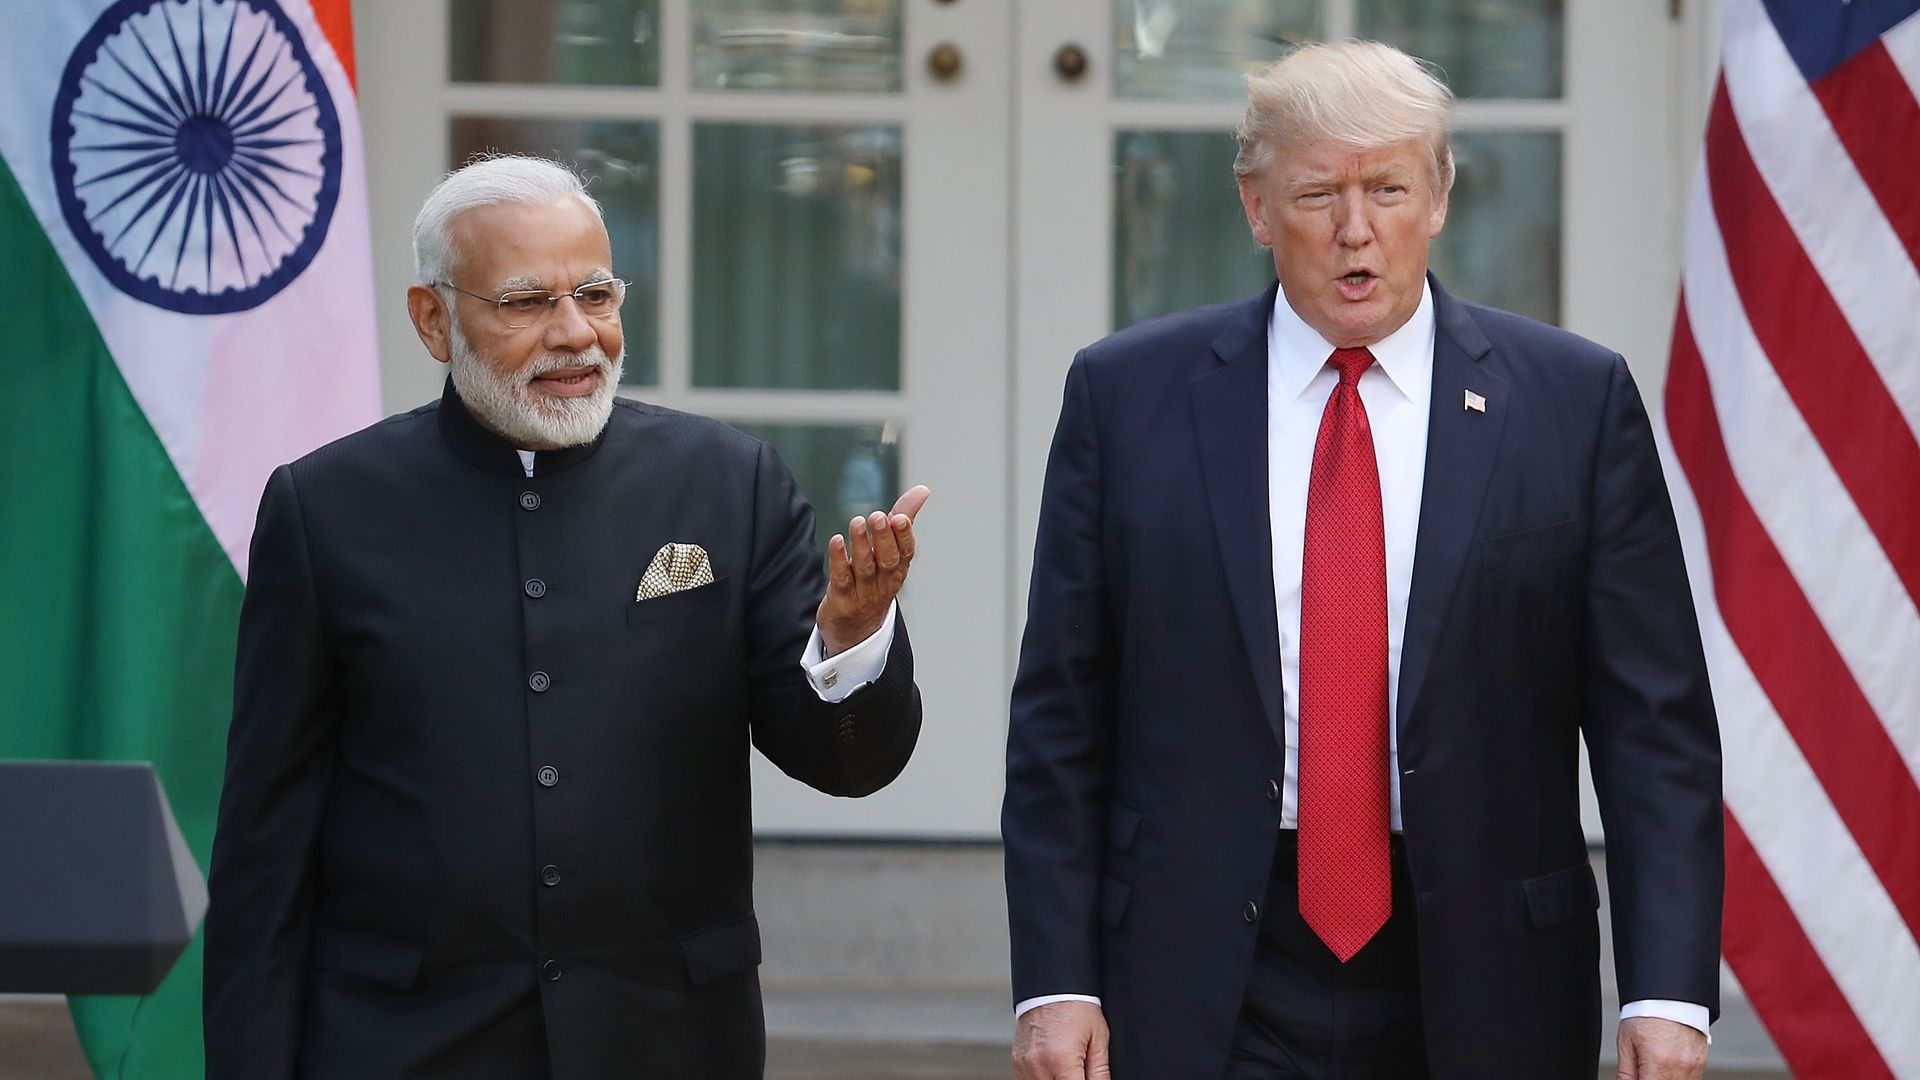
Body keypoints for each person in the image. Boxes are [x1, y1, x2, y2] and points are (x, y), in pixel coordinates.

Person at [1003, 41, 1721, 1080]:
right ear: (1255, 207)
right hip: (1206, 962)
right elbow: (1062, 717)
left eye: (1388, 188)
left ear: (1438, 197)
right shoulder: (1127, 400)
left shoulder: (1572, 403)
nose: (1356, 230)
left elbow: (1652, 727)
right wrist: (1055, 984)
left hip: (1487, 964)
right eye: (1317, 194)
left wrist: (1666, 992)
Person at [203, 155, 930, 1079]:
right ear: (434, 320)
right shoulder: (326, 509)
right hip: (403, 1042)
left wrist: (852, 639)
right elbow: (268, 839)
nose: (575, 334)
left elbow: (848, 764)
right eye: (525, 302)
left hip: (666, 1041)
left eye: (596, 293)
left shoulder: (727, 485)